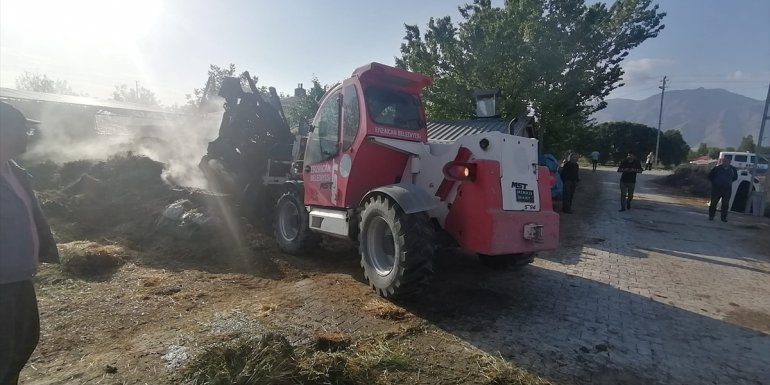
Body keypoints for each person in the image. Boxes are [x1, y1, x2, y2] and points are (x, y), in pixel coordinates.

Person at [0, 102, 59, 385]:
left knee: (23, 343)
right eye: (20, 130)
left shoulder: (16, 172)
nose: (27, 136)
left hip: (20, 277)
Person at [707, 156, 738, 222]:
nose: (724, 162)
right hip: (716, 189)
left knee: (725, 204)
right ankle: (711, 216)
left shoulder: (733, 169)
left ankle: (723, 218)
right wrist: (715, 183)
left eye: (725, 161)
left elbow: (735, 177)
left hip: (727, 189)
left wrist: (728, 182)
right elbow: (710, 176)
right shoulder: (717, 168)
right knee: (713, 203)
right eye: (723, 161)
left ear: (729, 162)